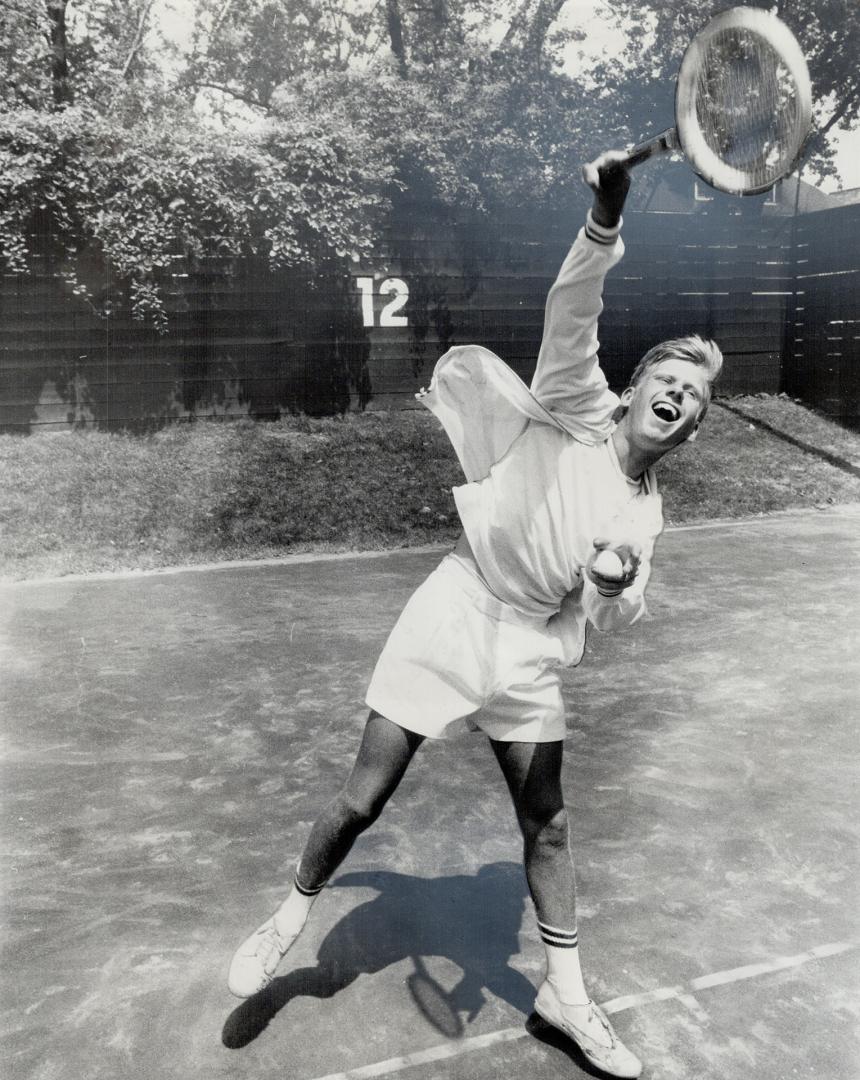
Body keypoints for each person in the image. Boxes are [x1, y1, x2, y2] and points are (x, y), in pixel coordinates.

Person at [227, 151, 723, 1080]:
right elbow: (573, 311)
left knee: (550, 825)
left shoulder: (646, 512)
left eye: (694, 398)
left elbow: (611, 616)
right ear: (640, 383)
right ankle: (290, 917)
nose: (678, 395)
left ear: (691, 428)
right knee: (363, 798)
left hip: (530, 647)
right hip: (457, 608)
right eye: (670, 378)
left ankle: (566, 1001)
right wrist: (605, 219)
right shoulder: (577, 403)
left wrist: (613, 592)